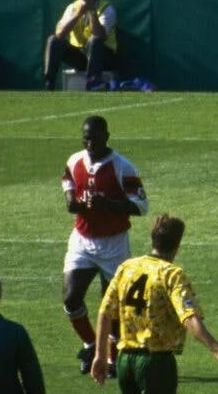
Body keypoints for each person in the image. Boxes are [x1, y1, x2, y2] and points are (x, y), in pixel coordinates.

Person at [90, 215, 218, 391]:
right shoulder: (171, 274)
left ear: (153, 240)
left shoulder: (127, 267)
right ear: (177, 245)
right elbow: (188, 317)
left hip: (125, 361)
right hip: (156, 363)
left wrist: (100, 354)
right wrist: (216, 348)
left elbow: (105, 312)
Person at [62, 117, 146, 376]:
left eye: (94, 138)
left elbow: (141, 206)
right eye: (85, 137)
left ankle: (111, 359)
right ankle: (89, 344)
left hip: (114, 244)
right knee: (70, 297)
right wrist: (70, 200)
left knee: (111, 307)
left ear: (106, 137)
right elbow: (67, 182)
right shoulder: (75, 160)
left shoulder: (122, 167)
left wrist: (108, 204)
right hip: (83, 240)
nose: (89, 143)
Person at [44, 0, 117, 91]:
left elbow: (100, 36)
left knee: (95, 40)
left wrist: (92, 10)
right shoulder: (72, 8)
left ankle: (93, 83)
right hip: (81, 56)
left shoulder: (107, 8)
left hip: (103, 56)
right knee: (53, 40)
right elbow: (60, 34)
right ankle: (49, 84)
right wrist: (79, 13)